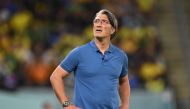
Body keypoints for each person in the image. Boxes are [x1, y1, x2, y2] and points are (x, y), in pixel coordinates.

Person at [50, 9, 130, 109]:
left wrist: (125, 105)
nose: (98, 24)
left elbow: (124, 81)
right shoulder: (79, 53)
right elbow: (55, 76)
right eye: (96, 21)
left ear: (113, 29)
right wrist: (66, 105)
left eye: (104, 22)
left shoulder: (120, 56)